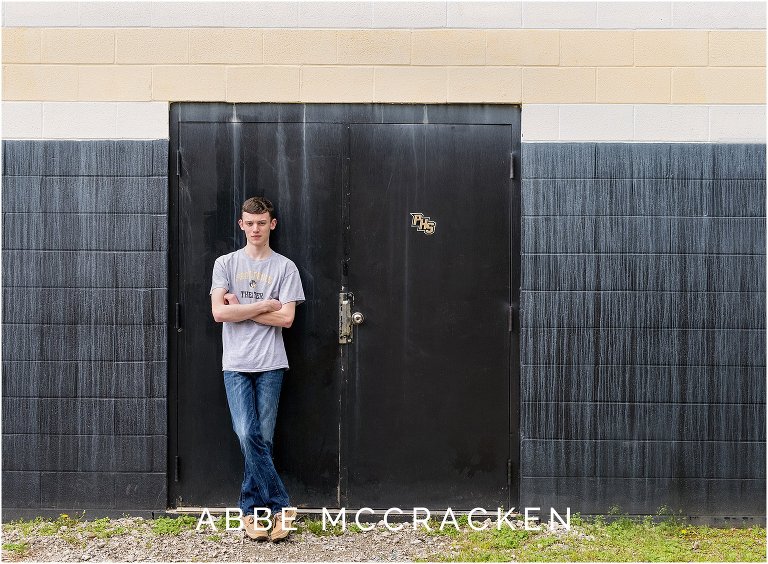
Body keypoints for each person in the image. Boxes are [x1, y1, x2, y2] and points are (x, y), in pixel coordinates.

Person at [210, 196, 305, 542]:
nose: (255, 229)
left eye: (261, 223)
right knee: (246, 433)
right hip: (235, 364)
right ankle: (281, 506)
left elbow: (288, 318)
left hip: (270, 364)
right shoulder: (225, 264)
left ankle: (250, 512)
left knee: (262, 438)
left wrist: (241, 307)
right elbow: (218, 314)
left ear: (272, 224)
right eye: (249, 223)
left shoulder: (285, 268)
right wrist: (265, 304)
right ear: (241, 225)